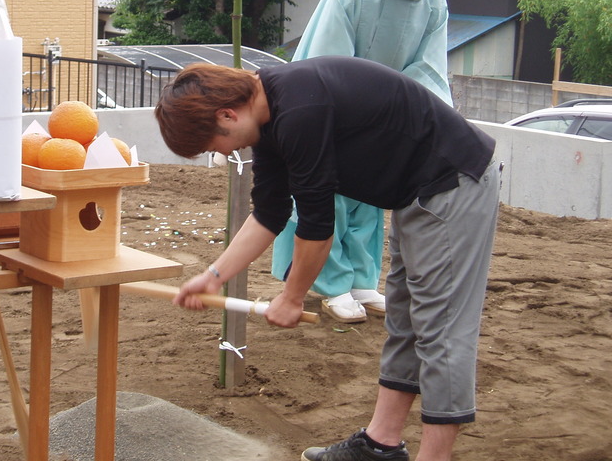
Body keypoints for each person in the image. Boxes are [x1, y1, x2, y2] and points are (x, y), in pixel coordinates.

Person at [155, 56, 500, 461]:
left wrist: (293, 296)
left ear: (228, 114)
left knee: (441, 331)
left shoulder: (300, 109)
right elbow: (269, 212)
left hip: (454, 183)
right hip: (417, 193)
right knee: (406, 319)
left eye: (212, 144)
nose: (220, 152)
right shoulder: (268, 118)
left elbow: (318, 225)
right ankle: (381, 444)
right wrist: (214, 276)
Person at [273, 0, 487, 323]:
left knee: (370, 197)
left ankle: (361, 279)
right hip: (334, 106)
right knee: (327, 195)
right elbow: (327, 54)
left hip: (384, 116)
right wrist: (349, 107)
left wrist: (424, 121)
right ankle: (329, 283)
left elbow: (428, 67)